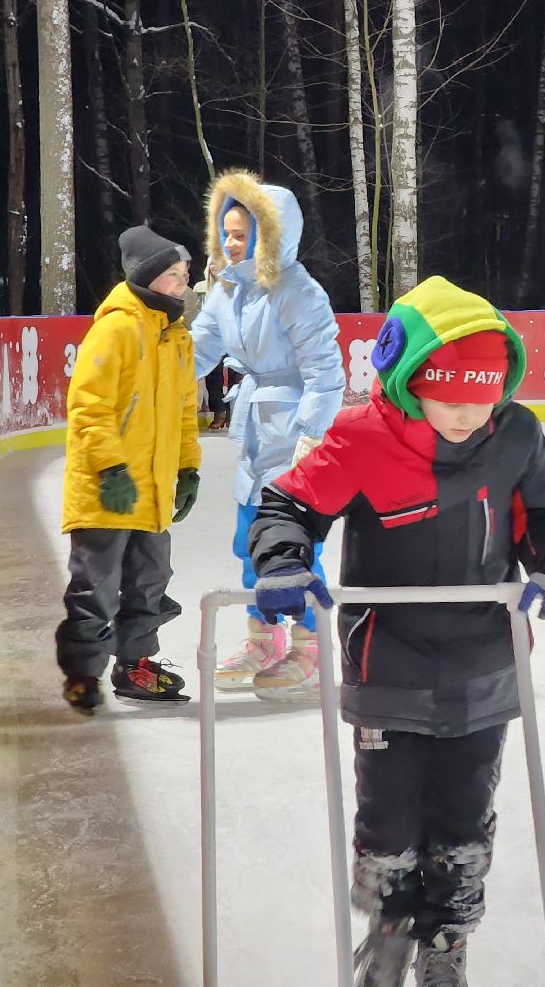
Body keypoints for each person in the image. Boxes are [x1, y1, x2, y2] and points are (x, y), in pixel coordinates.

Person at [247, 276, 545, 986]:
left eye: (484, 395)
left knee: (465, 814)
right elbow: (289, 504)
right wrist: (281, 560)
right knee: (391, 815)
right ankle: (392, 927)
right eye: (450, 397)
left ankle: (447, 941)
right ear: (407, 383)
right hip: (389, 664)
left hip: (486, 662)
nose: (469, 413)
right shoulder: (363, 438)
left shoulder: (515, 435)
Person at [190, 169, 345, 700]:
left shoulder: (299, 292)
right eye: (226, 234)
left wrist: (310, 436)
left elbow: (326, 373)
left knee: (296, 542)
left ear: (268, 237)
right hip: (255, 433)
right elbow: (198, 351)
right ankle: (263, 639)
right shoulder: (228, 290)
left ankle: (310, 644)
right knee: (249, 537)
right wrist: (148, 377)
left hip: (294, 438)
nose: (230, 245)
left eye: (241, 235)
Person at [57, 225, 203, 713]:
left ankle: (135, 664)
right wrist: (111, 467)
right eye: (175, 275)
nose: (184, 283)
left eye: (186, 274)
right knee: (95, 586)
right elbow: (88, 405)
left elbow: (184, 414)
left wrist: (187, 470)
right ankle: (82, 673)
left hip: (155, 489)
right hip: (107, 489)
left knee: (149, 581)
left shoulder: (175, 336)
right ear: (148, 277)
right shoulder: (117, 327)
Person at [189, 258, 231, 431]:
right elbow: (193, 310)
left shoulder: (231, 286)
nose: (214, 268)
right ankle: (219, 412)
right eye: (211, 264)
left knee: (236, 378)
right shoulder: (199, 287)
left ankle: (232, 415)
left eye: (218, 263)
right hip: (210, 337)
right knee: (214, 378)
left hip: (231, 336)